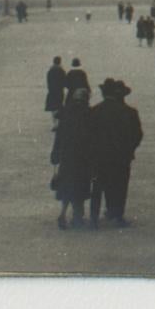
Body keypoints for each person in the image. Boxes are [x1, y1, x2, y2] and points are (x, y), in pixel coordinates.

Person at [89, 79, 142, 228]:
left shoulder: (94, 111)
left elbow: (88, 134)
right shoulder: (129, 112)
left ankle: (94, 218)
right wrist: (129, 149)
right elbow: (137, 134)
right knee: (120, 185)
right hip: (121, 157)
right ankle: (117, 215)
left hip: (99, 157)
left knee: (97, 187)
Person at [51, 87, 98, 229]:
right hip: (83, 157)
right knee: (81, 186)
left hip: (67, 156)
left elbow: (59, 136)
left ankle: (63, 212)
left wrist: (55, 154)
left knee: (66, 185)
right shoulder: (89, 114)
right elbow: (93, 137)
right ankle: (77, 216)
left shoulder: (66, 113)